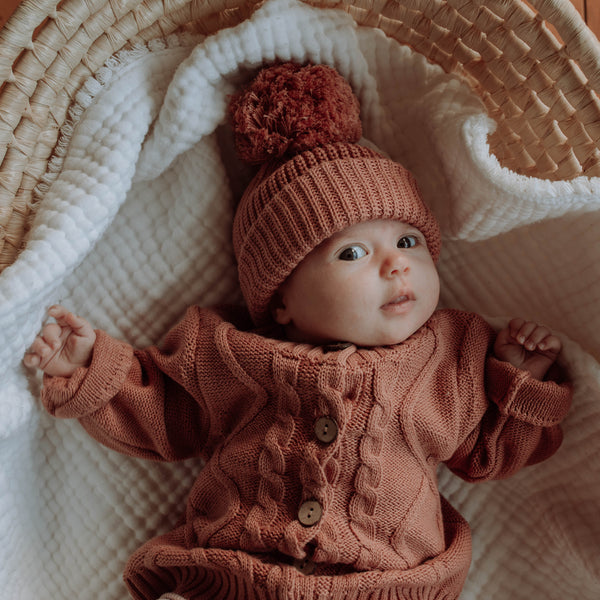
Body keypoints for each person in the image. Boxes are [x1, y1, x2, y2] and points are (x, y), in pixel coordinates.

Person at [24, 63, 572, 600]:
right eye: (353, 253)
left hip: (386, 585)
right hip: (235, 576)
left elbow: (485, 453)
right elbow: (165, 411)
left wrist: (518, 383)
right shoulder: (227, 352)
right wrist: (89, 367)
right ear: (281, 297)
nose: (396, 265)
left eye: (409, 243)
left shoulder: (451, 355)